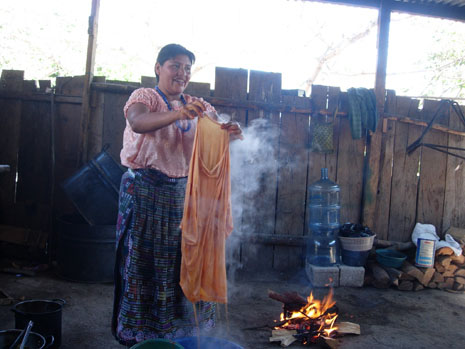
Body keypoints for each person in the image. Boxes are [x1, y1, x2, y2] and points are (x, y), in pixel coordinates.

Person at [111, 43, 241, 346]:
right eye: (174, 65)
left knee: (186, 262)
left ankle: (184, 335)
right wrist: (178, 114)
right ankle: (141, 337)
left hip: (186, 198)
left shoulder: (198, 105)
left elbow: (216, 137)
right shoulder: (144, 98)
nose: (181, 73)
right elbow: (138, 122)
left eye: (186, 68)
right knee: (145, 266)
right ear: (158, 68)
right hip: (145, 191)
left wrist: (230, 133)